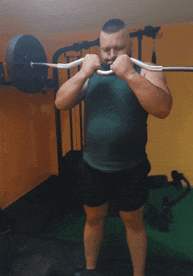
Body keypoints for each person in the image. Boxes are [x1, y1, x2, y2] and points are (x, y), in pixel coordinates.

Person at [55, 19, 172, 276]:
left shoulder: (146, 69)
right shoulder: (93, 73)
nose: (110, 55)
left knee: (133, 223)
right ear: (99, 48)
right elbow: (61, 103)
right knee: (93, 219)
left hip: (131, 167)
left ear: (129, 46)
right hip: (93, 165)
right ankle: (90, 270)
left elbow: (162, 109)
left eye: (117, 48)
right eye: (105, 49)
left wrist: (129, 74)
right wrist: (84, 72)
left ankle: (138, 273)